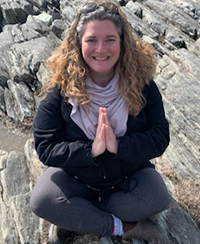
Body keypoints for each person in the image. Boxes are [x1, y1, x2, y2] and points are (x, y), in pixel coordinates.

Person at [30, 0, 170, 244]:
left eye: (110, 40)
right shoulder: (61, 91)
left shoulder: (143, 85)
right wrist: (90, 151)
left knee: (158, 197)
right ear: (78, 43)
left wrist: (118, 146)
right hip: (77, 178)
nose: (101, 49)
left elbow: (159, 136)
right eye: (91, 40)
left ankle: (80, 215)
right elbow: (45, 146)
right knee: (42, 200)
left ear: (122, 42)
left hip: (127, 176)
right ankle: (122, 226)